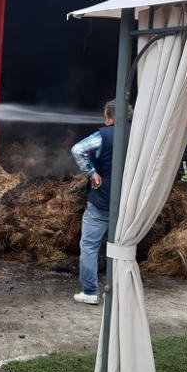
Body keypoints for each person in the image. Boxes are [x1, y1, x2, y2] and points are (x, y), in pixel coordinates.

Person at [70, 99, 132, 305]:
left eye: (106, 116)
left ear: (112, 117)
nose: (104, 120)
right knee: (125, 245)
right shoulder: (141, 136)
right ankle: (122, 291)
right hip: (130, 200)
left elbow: (78, 150)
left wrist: (92, 173)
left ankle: (90, 292)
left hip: (102, 199)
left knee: (89, 245)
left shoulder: (103, 135)